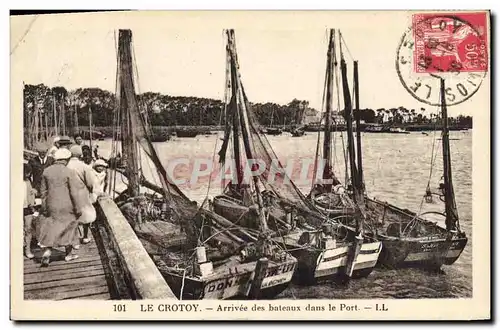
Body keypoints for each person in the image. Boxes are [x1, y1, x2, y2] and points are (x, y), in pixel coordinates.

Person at [37, 148, 85, 266]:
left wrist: (44, 206)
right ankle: (68, 255)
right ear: (66, 159)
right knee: (70, 227)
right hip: (67, 204)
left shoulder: (46, 171)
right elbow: (74, 192)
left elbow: (43, 192)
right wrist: (78, 208)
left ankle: (48, 250)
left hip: (51, 204)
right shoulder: (69, 172)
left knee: (52, 227)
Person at [67, 145, 97, 245]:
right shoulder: (84, 166)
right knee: (86, 214)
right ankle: (85, 236)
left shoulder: (66, 165)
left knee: (72, 215)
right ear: (80, 154)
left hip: (69, 192)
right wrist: (91, 191)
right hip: (82, 193)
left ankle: (73, 238)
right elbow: (90, 183)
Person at [23, 161, 38, 259]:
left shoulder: (28, 182)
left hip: (27, 208)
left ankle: (27, 249)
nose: (28, 175)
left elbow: (30, 196)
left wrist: (32, 207)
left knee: (28, 229)